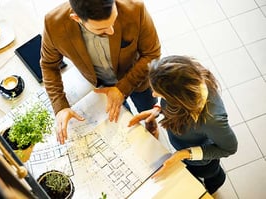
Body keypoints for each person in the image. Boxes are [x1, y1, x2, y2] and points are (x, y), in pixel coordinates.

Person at [40, 0, 161, 144]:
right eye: (102, 30)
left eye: (114, 20)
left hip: (138, 79)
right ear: (77, 18)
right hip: (101, 86)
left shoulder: (135, 8)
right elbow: (48, 65)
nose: (111, 31)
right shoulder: (53, 24)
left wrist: (122, 88)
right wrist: (60, 106)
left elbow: (152, 53)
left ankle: (151, 125)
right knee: (121, 118)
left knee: (148, 109)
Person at [128, 55, 238, 194]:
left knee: (210, 175)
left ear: (178, 96)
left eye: (159, 92)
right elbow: (171, 103)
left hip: (201, 161)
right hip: (182, 147)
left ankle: (214, 184)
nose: (154, 94)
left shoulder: (212, 119)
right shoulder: (183, 81)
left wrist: (184, 154)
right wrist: (157, 110)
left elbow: (230, 148)